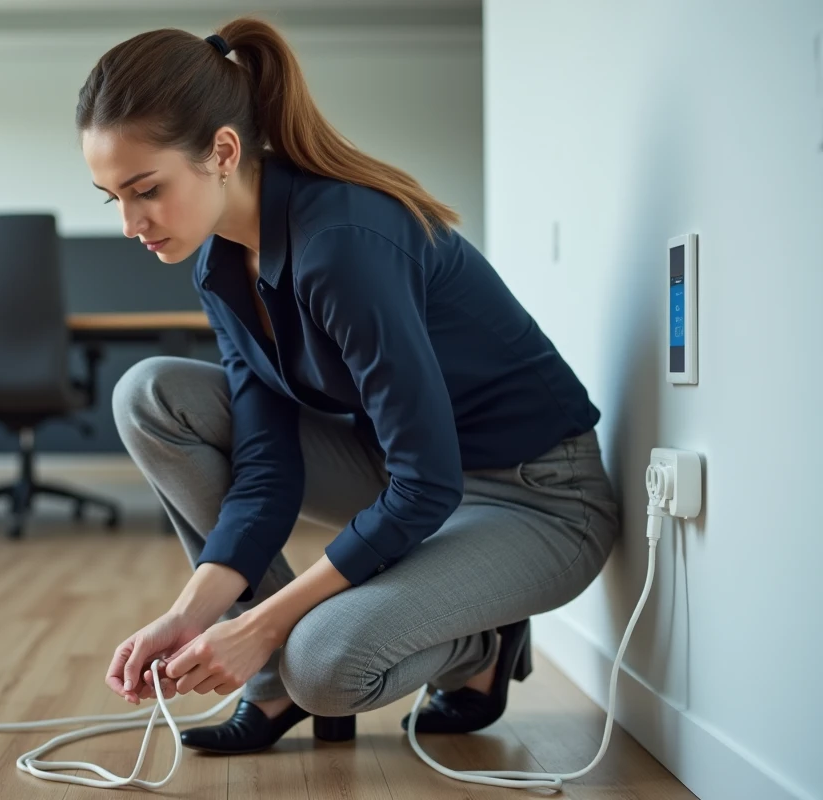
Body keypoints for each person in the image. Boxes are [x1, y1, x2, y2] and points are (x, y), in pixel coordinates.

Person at [76, 16, 620, 756]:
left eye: (146, 190)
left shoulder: (343, 246)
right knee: (150, 394)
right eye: (114, 198)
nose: (132, 223)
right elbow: (266, 466)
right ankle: (271, 687)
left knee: (323, 666)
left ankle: (480, 647)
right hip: (415, 472)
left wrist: (263, 625)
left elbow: (425, 486)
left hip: (540, 498)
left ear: (223, 153)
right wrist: (192, 614)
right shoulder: (220, 265)